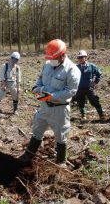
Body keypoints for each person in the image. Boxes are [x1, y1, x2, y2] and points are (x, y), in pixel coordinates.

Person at [19, 39, 81, 167]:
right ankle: (28, 156)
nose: (51, 60)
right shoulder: (47, 65)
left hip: (60, 109)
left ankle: (61, 162)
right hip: (44, 106)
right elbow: (40, 80)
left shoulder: (72, 70)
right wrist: (37, 88)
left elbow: (71, 91)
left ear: (63, 55)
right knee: (37, 129)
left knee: (61, 135)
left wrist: (52, 96)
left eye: (55, 58)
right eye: (50, 58)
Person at [75, 50, 104, 120]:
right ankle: (83, 115)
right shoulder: (76, 67)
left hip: (89, 88)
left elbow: (99, 74)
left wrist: (95, 82)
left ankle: (101, 115)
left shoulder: (91, 66)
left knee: (94, 101)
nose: (80, 59)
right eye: (79, 57)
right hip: (79, 88)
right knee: (80, 101)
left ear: (86, 58)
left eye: (82, 57)